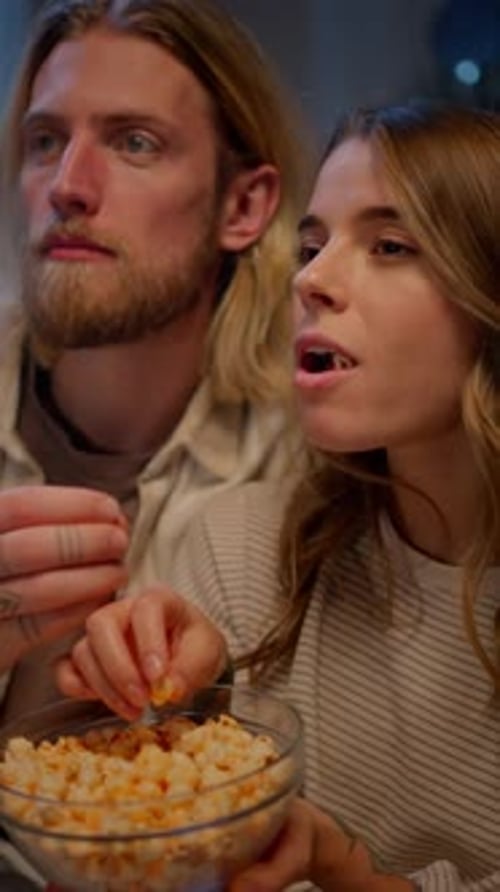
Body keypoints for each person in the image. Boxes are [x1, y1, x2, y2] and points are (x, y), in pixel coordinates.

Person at [59, 101, 500, 891]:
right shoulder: (236, 543)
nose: (309, 279)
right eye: (311, 244)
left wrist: (345, 872)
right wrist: (151, 692)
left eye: (391, 245)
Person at [0, 0, 308, 724]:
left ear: (242, 206)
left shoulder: (315, 473)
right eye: (44, 140)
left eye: (134, 142)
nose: (67, 185)